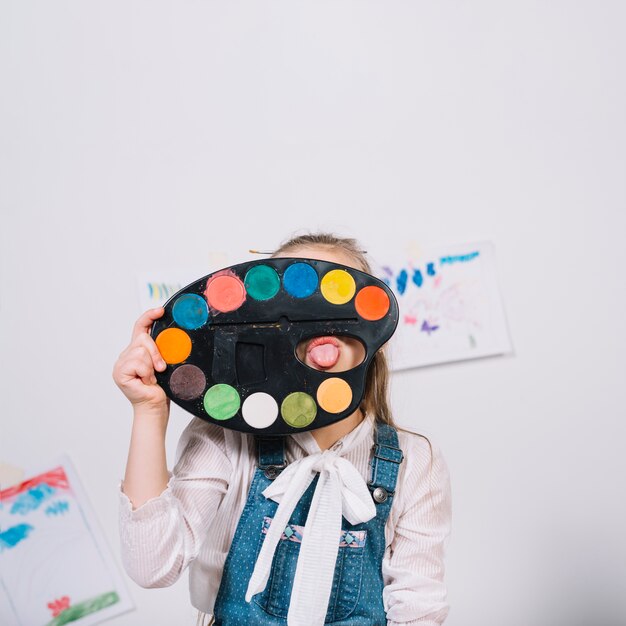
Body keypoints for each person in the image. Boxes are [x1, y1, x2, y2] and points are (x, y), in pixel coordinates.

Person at [114, 232, 451, 626]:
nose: (314, 322)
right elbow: (152, 566)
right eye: (289, 301)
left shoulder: (414, 460)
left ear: (375, 332)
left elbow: (419, 608)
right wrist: (149, 412)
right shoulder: (225, 437)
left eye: (336, 294)